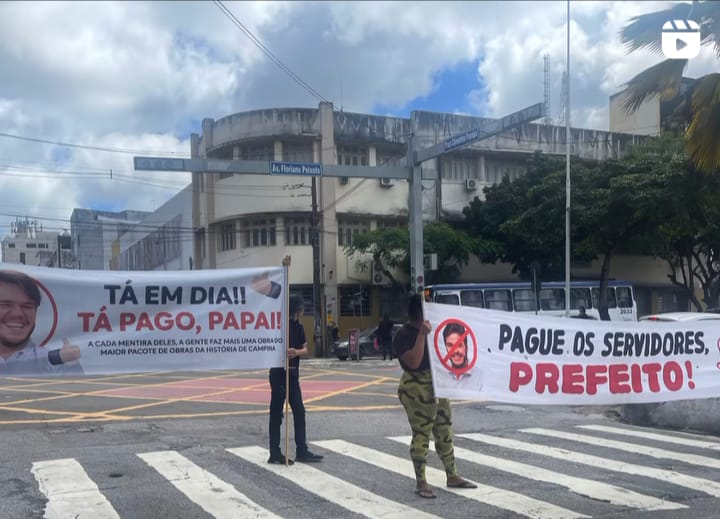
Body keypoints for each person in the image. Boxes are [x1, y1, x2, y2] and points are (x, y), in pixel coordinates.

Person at [393, 294, 477, 499]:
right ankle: (421, 480)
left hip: (437, 384)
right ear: (420, 313)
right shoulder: (403, 334)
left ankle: (452, 474)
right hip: (416, 387)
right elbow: (413, 362)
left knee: (444, 429)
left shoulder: (433, 330)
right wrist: (422, 335)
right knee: (422, 433)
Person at [268, 260, 324, 464]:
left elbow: (306, 348)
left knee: (299, 411)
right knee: (276, 413)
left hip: (293, 375)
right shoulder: (279, 326)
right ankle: (274, 452)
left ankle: (302, 449)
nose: (303, 311)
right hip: (279, 374)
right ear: (296, 309)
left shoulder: (299, 327)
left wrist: (296, 352)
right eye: (301, 308)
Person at [0, 270, 83, 376]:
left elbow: (78, 389)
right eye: (6, 305)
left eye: (27, 306)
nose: (18, 314)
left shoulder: (55, 361)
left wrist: (71, 367)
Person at [435, 322, 483, 392]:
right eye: (450, 345)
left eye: (459, 345)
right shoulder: (439, 377)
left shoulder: (481, 378)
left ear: (466, 347)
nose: (455, 351)